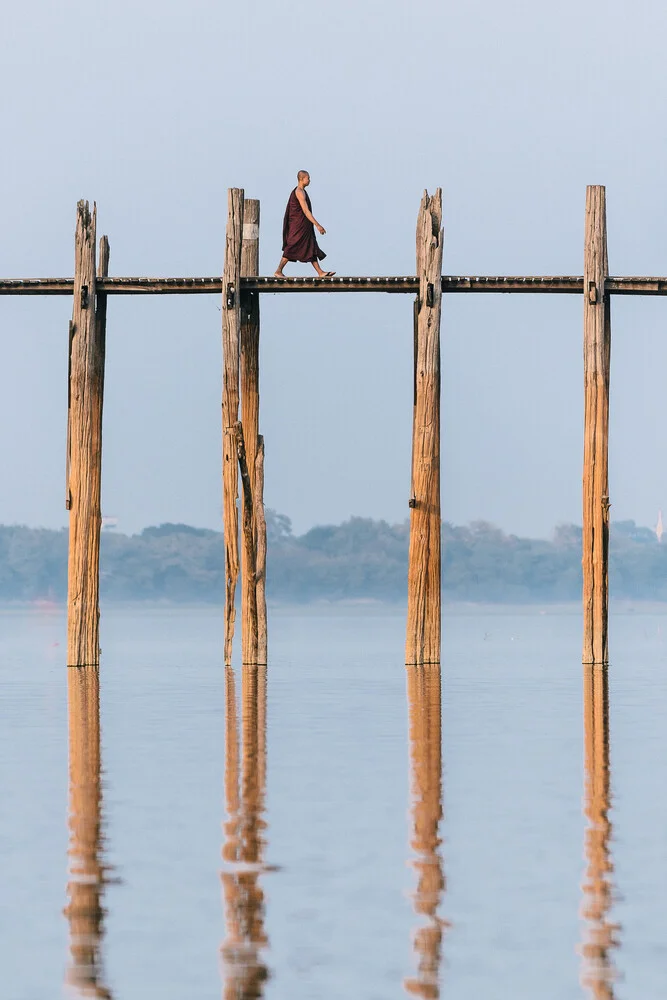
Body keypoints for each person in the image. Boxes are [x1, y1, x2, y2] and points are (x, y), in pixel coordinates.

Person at [274, 171, 335, 278]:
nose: (309, 180)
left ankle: (320, 272)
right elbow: (306, 211)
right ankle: (278, 271)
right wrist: (317, 225)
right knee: (292, 246)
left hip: (305, 226)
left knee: (311, 246)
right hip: (298, 225)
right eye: (308, 178)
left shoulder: (303, 191)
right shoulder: (299, 192)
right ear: (302, 179)